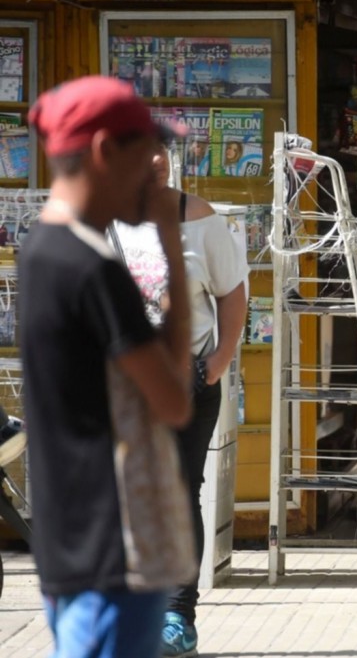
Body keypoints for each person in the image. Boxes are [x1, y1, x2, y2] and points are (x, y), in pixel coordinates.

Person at [20, 75, 195, 657]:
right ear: (103, 152)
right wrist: (170, 244)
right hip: (114, 548)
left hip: (69, 536)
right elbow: (174, 401)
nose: (155, 167)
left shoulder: (41, 250)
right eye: (145, 150)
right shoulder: (94, 269)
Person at [111, 144, 249, 656]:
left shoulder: (200, 218)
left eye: (158, 148)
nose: (153, 159)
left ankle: (177, 617)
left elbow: (232, 294)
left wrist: (217, 362)